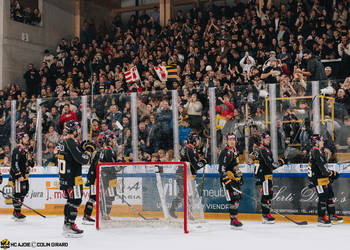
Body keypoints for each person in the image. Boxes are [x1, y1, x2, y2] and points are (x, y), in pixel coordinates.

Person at [57, 120, 95, 237]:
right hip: (73, 178)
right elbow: (82, 159)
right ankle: (71, 226)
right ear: (73, 131)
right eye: (77, 130)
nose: (78, 131)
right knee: (75, 201)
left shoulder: (62, 142)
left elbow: (73, 155)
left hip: (65, 177)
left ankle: (67, 224)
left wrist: (81, 147)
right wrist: (88, 150)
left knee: (69, 201)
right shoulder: (70, 141)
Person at [169, 133, 207, 218]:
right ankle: (173, 210)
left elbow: (194, 161)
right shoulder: (188, 149)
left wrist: (200, 157)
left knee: (189, 194)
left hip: (187, 174)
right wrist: (204, 161)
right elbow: (196, 166)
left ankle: (188, 213)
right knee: (184, 193)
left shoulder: (191, 149)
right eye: (197, 140)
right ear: (193, 141)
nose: (198, 142)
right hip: (183, 174)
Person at [308, 135, 343, 226]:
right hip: (319, 180)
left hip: (323, 179)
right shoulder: (315, 152)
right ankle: (321, 218)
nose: (323, 142)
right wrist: (331, 174)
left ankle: (332, 215)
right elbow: (322, 168)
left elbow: (323, 167)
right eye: (321, 141)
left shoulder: (320, 151)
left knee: (330, 197)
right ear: (316, 142)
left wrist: (329, 176)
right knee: (322, 198)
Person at [83, 134, 117, 224]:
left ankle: (99, 215)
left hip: (103, 178)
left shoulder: (109, 151)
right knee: (100, 197)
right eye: (112, 140)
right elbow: (103, 166)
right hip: (100, 178)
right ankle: (99, 215)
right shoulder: (106, 151)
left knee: (104, 197)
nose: (114, 142)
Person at [251, 132, 284, 224]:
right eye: (266, 139)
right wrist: (282, 161)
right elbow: (272, 165)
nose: (268, 140)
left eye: (269, 139)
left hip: (266, 176)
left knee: (268, 194)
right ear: (261, 141)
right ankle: (265, 215)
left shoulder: (262, 150)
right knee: (266, 195)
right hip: (264, 177)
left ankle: (266, 214)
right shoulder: (263, 150)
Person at [218, 133, 243, 228]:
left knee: (237, 198)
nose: (232, 141)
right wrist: (226, 181)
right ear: (227, 141)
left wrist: (240, 176)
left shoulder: (235, 151)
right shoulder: (225, 152)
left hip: (234, 179)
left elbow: (235, 167)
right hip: (228, 180)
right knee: (233, 199)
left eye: (233, 140)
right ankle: (233, 219)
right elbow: (221, 168)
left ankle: (234, 218)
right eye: (230, 140)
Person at [9, 132, 34, 221]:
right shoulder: (17, 149)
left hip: (25, 175)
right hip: (17, 176)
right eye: (25, 138)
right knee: (18, 193)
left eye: (27, 137)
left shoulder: (26, 150)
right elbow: (14, 163)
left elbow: (32, 164)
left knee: (24, 191)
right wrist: (18, 174)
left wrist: (30, 157)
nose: (27, 139)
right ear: (20, 140)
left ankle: (16, 210)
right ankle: (17, 212)